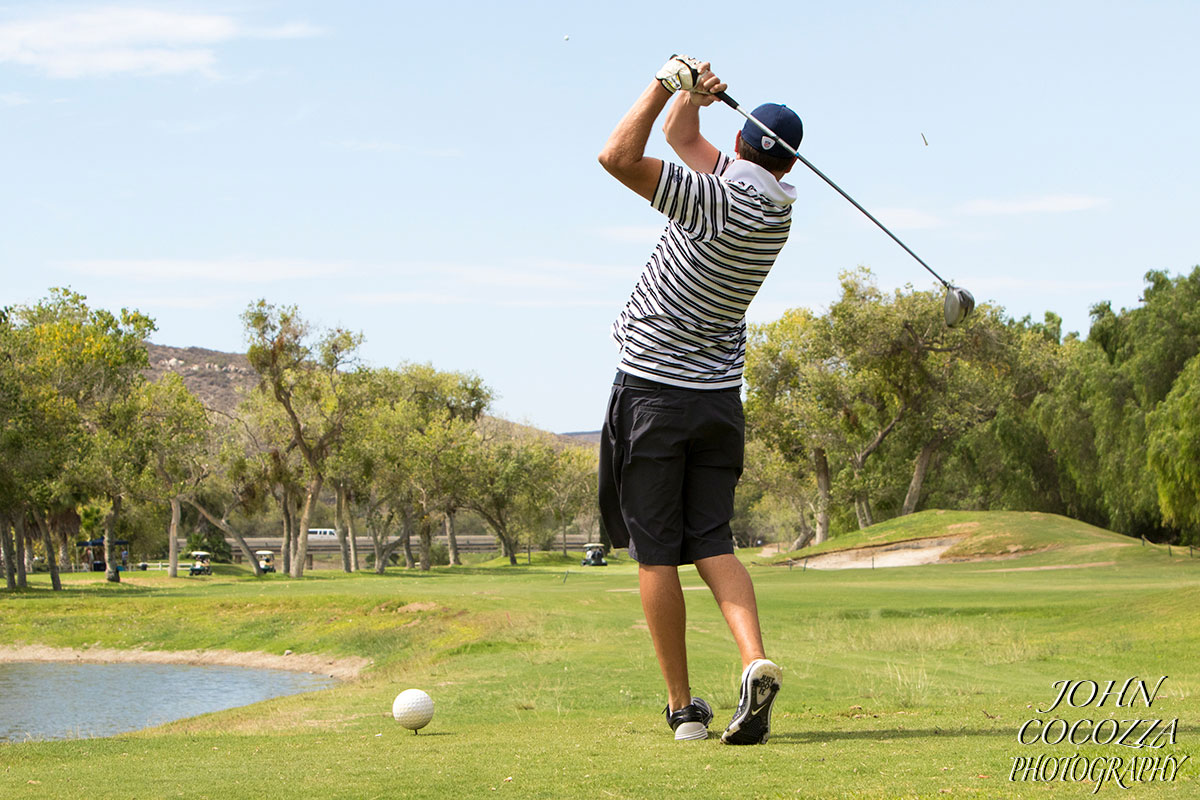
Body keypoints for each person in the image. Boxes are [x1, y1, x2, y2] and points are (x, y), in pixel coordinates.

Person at [597, 55, 802, 744]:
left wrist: (661, 82)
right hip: (718, 402)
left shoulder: (713, 199)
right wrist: (694, 98)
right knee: (712, 541)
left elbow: (618, 156)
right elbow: (685, 141)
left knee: (657, 555)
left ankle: (683, 708)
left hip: (654, 394)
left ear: (741, 148)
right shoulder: (774, 208)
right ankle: (754, 662)